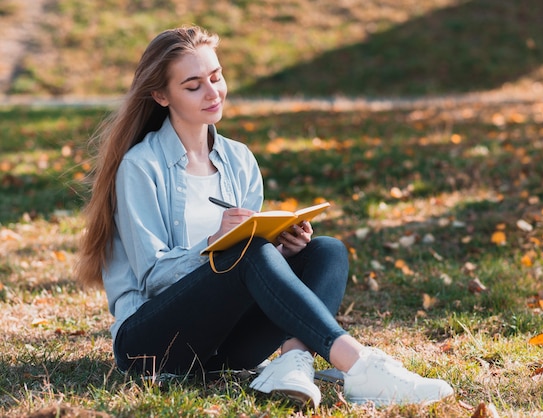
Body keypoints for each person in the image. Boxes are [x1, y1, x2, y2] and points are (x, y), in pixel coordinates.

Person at [75, 25, 454, 408]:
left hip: (225, 349)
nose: (212, 93)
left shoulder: (239, 160)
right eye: (193, 86)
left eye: (216, 77)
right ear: (161, 95)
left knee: (326, 251)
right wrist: (215, 246)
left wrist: (284, 250)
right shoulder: (141, 166)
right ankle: (360, 365)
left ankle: (292, 363)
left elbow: (249, 275)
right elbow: (153, 278)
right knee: (247, 251)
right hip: (152, 346)